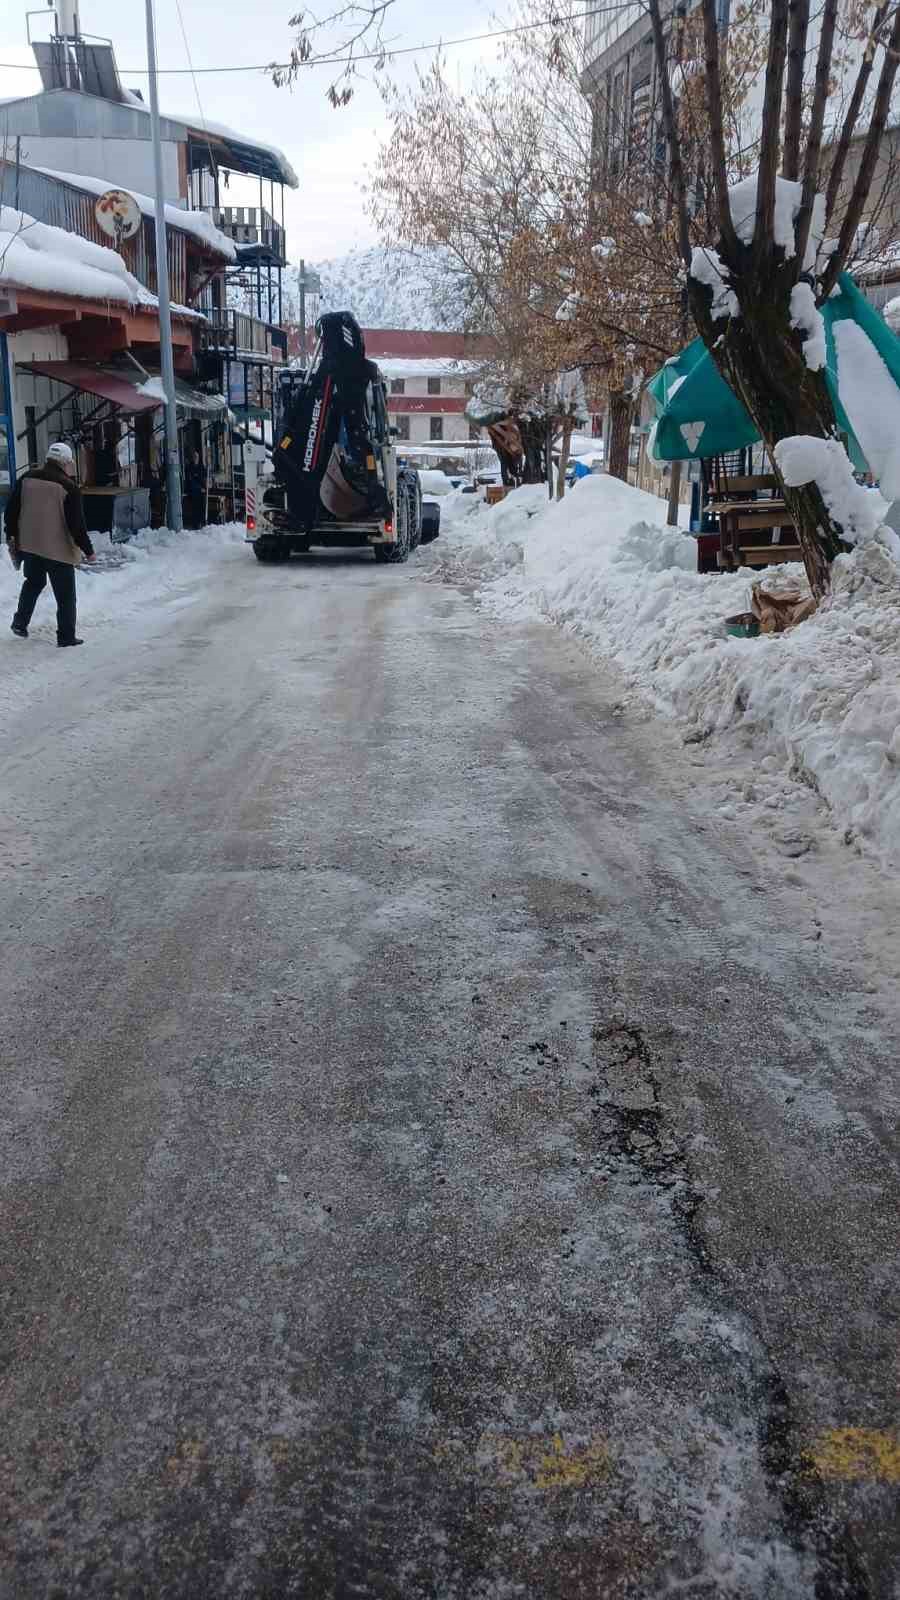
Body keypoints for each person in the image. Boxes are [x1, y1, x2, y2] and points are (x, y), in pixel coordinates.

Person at [5, 442, 95, 647]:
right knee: (65, 595)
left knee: (33, 583)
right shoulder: (68, 487)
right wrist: (88, 550)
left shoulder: (26, 478)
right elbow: (77, 525)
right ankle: (66, 637)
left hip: (30, 545)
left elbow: (11, 511)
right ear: (64, 462)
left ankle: (20, 622)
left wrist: (11, 535)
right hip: (58, 549)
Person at [184, 449, 206, 529]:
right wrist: (199, 487)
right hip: (193, 491)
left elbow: (203, 477)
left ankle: (201, 522)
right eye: (194, 457)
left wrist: (203, 487)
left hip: (200, 491)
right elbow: (190, 480)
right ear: (192, 458)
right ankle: (196, 523)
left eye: (197, 457)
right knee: (195, 507)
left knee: (201, 506)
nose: (195, 458)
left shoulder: (201, 466)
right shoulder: (189, 467)